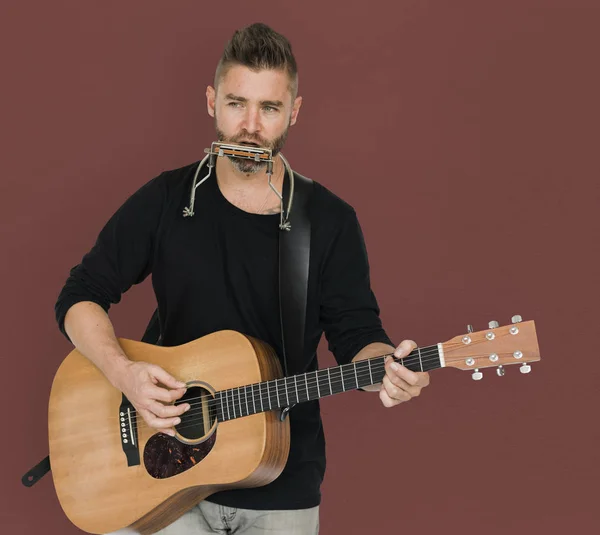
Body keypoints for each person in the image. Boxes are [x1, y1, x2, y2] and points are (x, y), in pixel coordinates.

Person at [55, 22, 430, 535]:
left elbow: (357, 337)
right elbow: (79, 297)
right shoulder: (169, 199)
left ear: (293, 113)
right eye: (236, 104)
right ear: (212, 102)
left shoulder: (329, 221)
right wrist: (124, 375)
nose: (250, 126)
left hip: (280, 479)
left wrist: (387, 368)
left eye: (269, 109)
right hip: (155, 472)